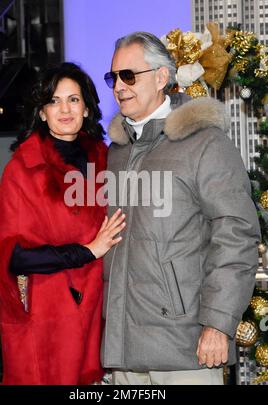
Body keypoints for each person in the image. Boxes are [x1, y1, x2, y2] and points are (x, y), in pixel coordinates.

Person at [101, 31, 261, 385]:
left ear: (161, 78)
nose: (119, 87)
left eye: (129, 76)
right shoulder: (116, 153)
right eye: (113, 77)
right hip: (123, 353)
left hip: (187, 350)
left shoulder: (203, 142)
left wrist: (218, 323)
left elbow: (236, 233)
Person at [0, 62, 125, 385]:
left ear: (88, 109)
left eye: (74, 100)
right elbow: (16, 256)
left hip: (98, 315)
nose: (64, 109)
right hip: (45, 322)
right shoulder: (22, 169)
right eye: (54, 101)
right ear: (42, 113)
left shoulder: (108, 161)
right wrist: (86, 251)